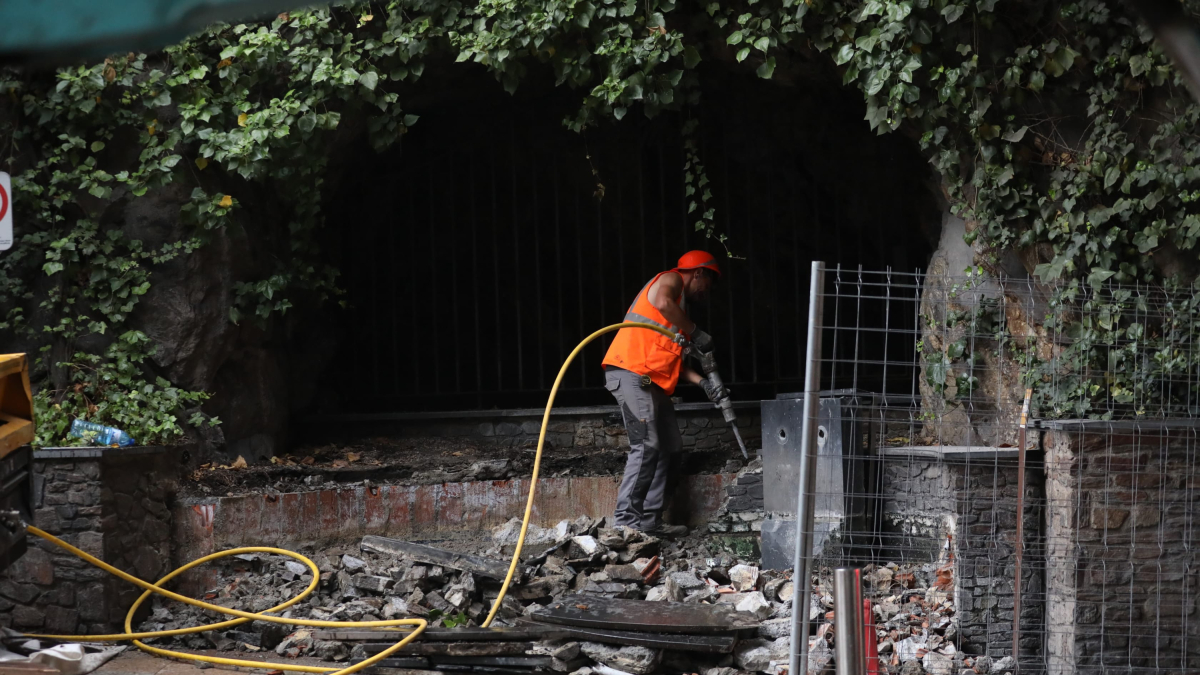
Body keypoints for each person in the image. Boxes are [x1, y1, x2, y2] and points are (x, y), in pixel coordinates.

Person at [601, 250, 723, 536]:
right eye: (709, 282)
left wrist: (702, 383)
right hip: (630, 371)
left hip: (650, 380)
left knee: (670, 448)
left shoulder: (676, 314)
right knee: (647, 444)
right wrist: (695, 331)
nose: (707, 291)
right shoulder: (671, 281)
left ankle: (649, 522)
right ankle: (625, 524)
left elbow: (674, 363)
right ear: (699, 273)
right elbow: (662, 301)